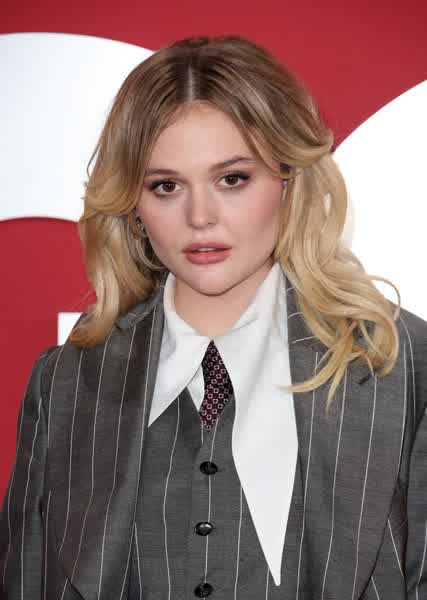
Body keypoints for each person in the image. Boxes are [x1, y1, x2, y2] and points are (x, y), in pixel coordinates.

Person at [1, 34, 426, 600]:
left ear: (288, 180)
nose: (200, 216)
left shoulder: (402, 364)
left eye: (232, 179)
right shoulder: (65, 383)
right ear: (133, 205)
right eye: (166, 186)